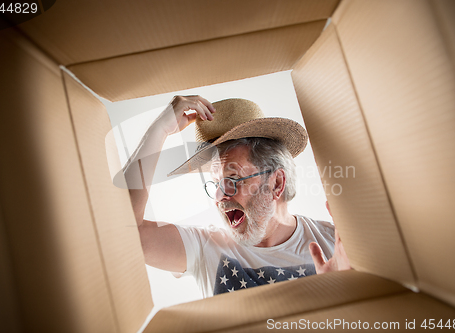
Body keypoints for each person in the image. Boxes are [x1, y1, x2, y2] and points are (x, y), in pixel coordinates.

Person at [123, 95, 350, 297]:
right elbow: (123, 233)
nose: (219, 196)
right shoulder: (204, 248)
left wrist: (344, 291)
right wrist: (160, 130)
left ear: (277, 183)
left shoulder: (337, 243)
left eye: (232, 180)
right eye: (216, 184)